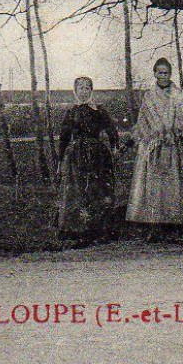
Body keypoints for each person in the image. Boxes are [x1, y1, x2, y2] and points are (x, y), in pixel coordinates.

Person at [125, 58, 183, 240]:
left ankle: (174, 226)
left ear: (170, 74)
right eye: (159, 72)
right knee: (152, 185)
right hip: (152, 146)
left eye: (166, 72)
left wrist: (178, 127)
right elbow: (143, 118)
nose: (163, 76)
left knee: (173, 185)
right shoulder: (149, 95)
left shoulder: (178, 94)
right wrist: (149, 133)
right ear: (155, 74)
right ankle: (154, 226)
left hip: (172, 145)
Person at [54, 76, 120, 245]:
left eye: (87, 88)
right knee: (76, 191)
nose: (84, 92)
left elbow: (112, 130)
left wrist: (115, 147)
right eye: (80, 88)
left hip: (97, 156)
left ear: (91, 90)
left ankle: (97, 229)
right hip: (75, 157)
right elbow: (63, 137)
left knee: (96, 189)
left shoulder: (99, 110)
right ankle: (76, 229)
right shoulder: (71, 112)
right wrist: (60, 161)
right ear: (75, 91)